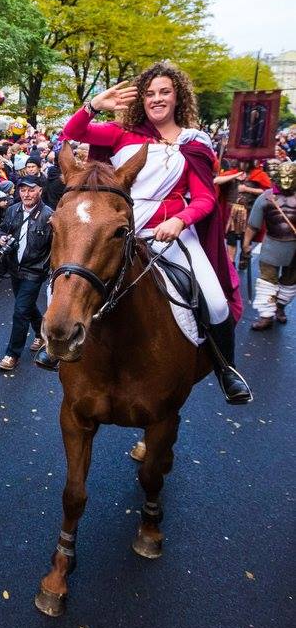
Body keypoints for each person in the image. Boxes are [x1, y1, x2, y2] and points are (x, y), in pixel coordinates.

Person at [62, 63, 252, 404]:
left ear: (178, 96)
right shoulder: (121, 133)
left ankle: (227, 370)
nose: (157, 98)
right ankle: (57, 343)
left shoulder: (195, 144)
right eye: (150, 93)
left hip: (172, 234)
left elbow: (207, 197)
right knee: (70, 276)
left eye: (164, 91)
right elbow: (72, 133)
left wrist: (180, 221)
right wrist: (92, 106)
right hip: (121, 231)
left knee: (216, 302)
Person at [0, 175, 55, 372]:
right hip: (14, 267)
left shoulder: (49, 216)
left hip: (35, 271)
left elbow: (55, 247)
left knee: (20, 311)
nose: (26, 194)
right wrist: (2, 238)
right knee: (27, 306)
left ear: (40, 191)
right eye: (22, 190)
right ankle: (40, 334)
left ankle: (12, 354)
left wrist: (47, 268)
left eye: (31, 190)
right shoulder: (13, 210)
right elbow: (2, 230)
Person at [243, 160, 295, 330]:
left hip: (295, 249)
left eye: (290, 177)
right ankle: (266, 316)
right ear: (278, 177)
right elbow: (253, 225)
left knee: (289, 282)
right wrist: (246, 243)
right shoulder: (266, 197)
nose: (287, 180)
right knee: (267, 281)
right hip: (272, 245)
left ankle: (279, 308)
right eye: (284, 177)